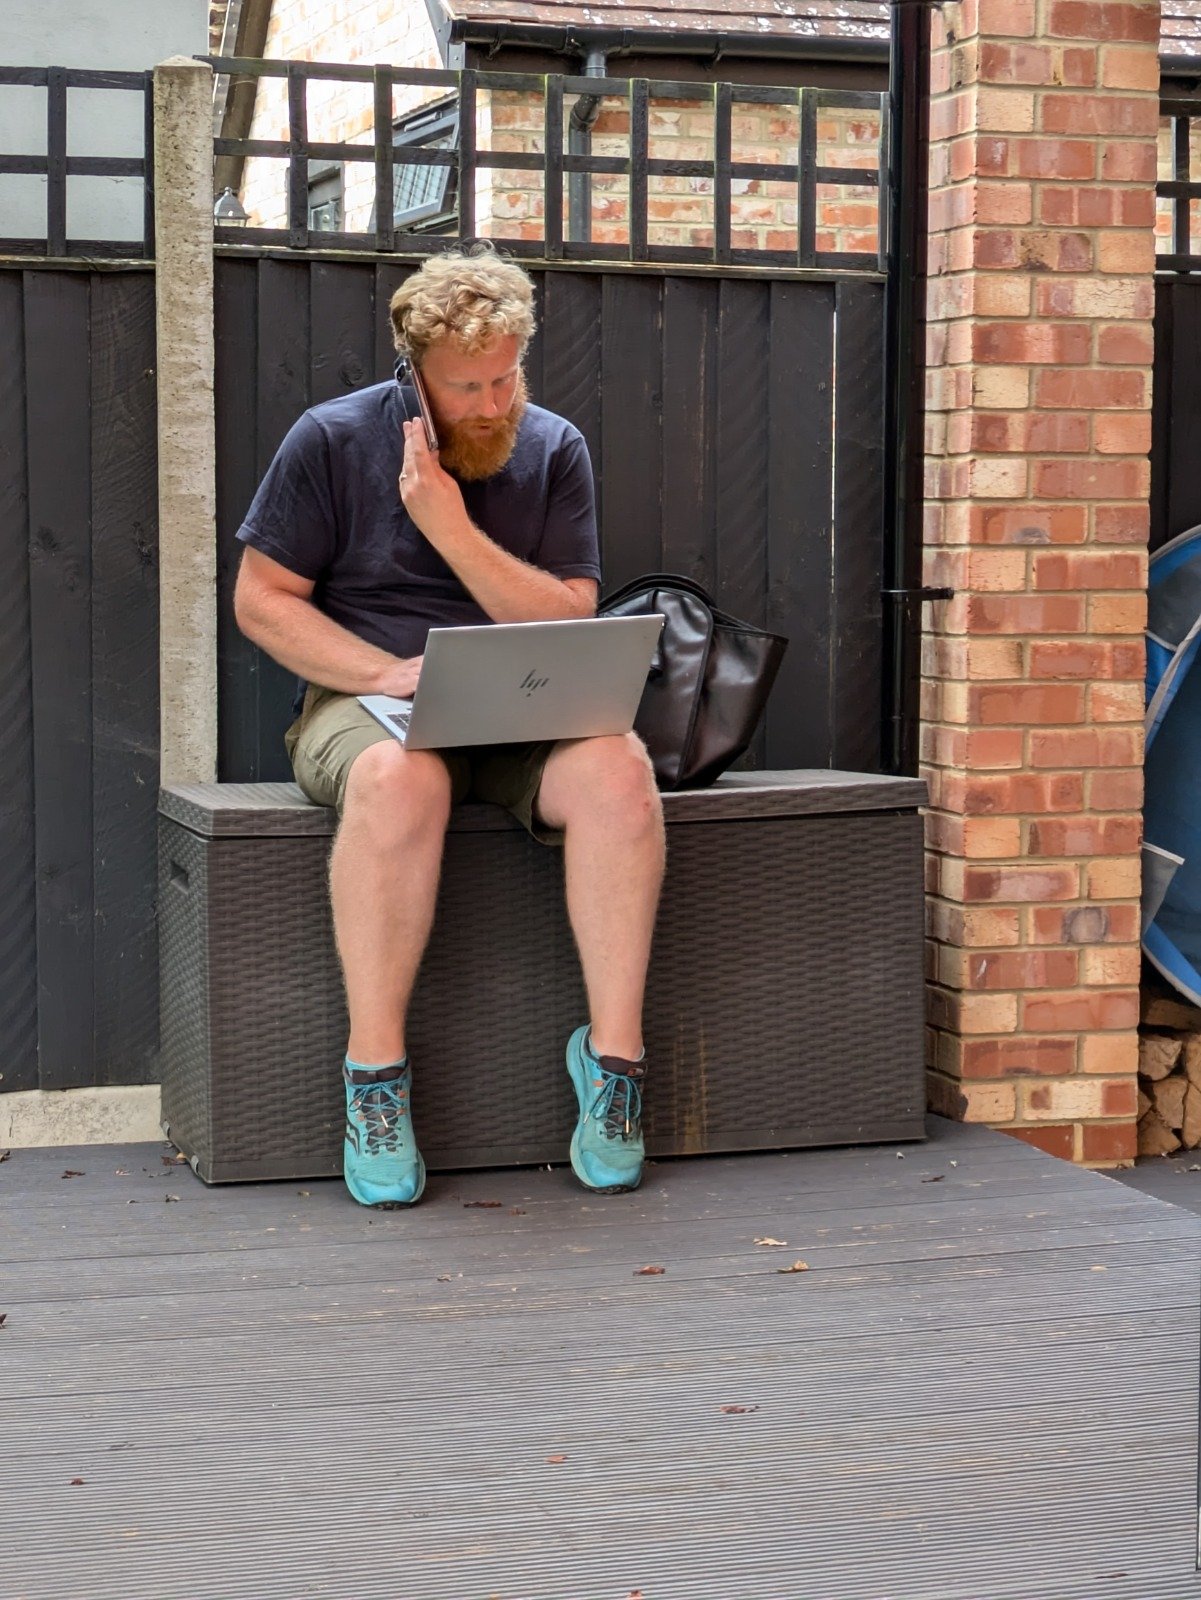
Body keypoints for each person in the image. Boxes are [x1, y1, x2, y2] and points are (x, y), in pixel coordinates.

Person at [233, 244, 665, 1209]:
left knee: (619, 769)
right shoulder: (332, 440)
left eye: (507, 376)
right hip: (368, 704)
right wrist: (382, 671)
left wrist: (450, 528)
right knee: (401, 777)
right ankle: (374, 1079)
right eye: (466, 386)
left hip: (521, 706)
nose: (490, 403)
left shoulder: (552, 446)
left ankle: (615, 1068)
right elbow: (261, 601)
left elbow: (568, 617)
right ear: (413, 376)